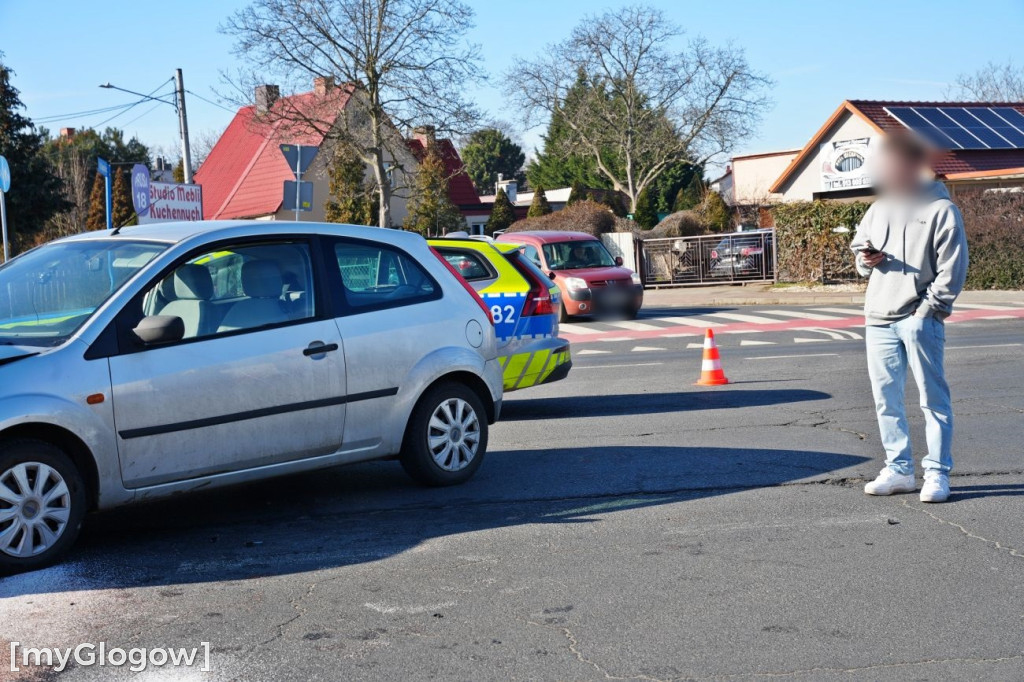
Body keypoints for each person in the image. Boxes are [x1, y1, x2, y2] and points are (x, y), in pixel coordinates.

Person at [851, 132, 969, 503]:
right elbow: (858, 256)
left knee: (932, 399)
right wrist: (865, 261)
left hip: (919, 318)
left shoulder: (941, 210)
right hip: (878, 318)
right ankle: (899, 470)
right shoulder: (879, 208)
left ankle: (937, 473)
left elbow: (954, 270)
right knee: (886, 399)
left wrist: (927, 311)